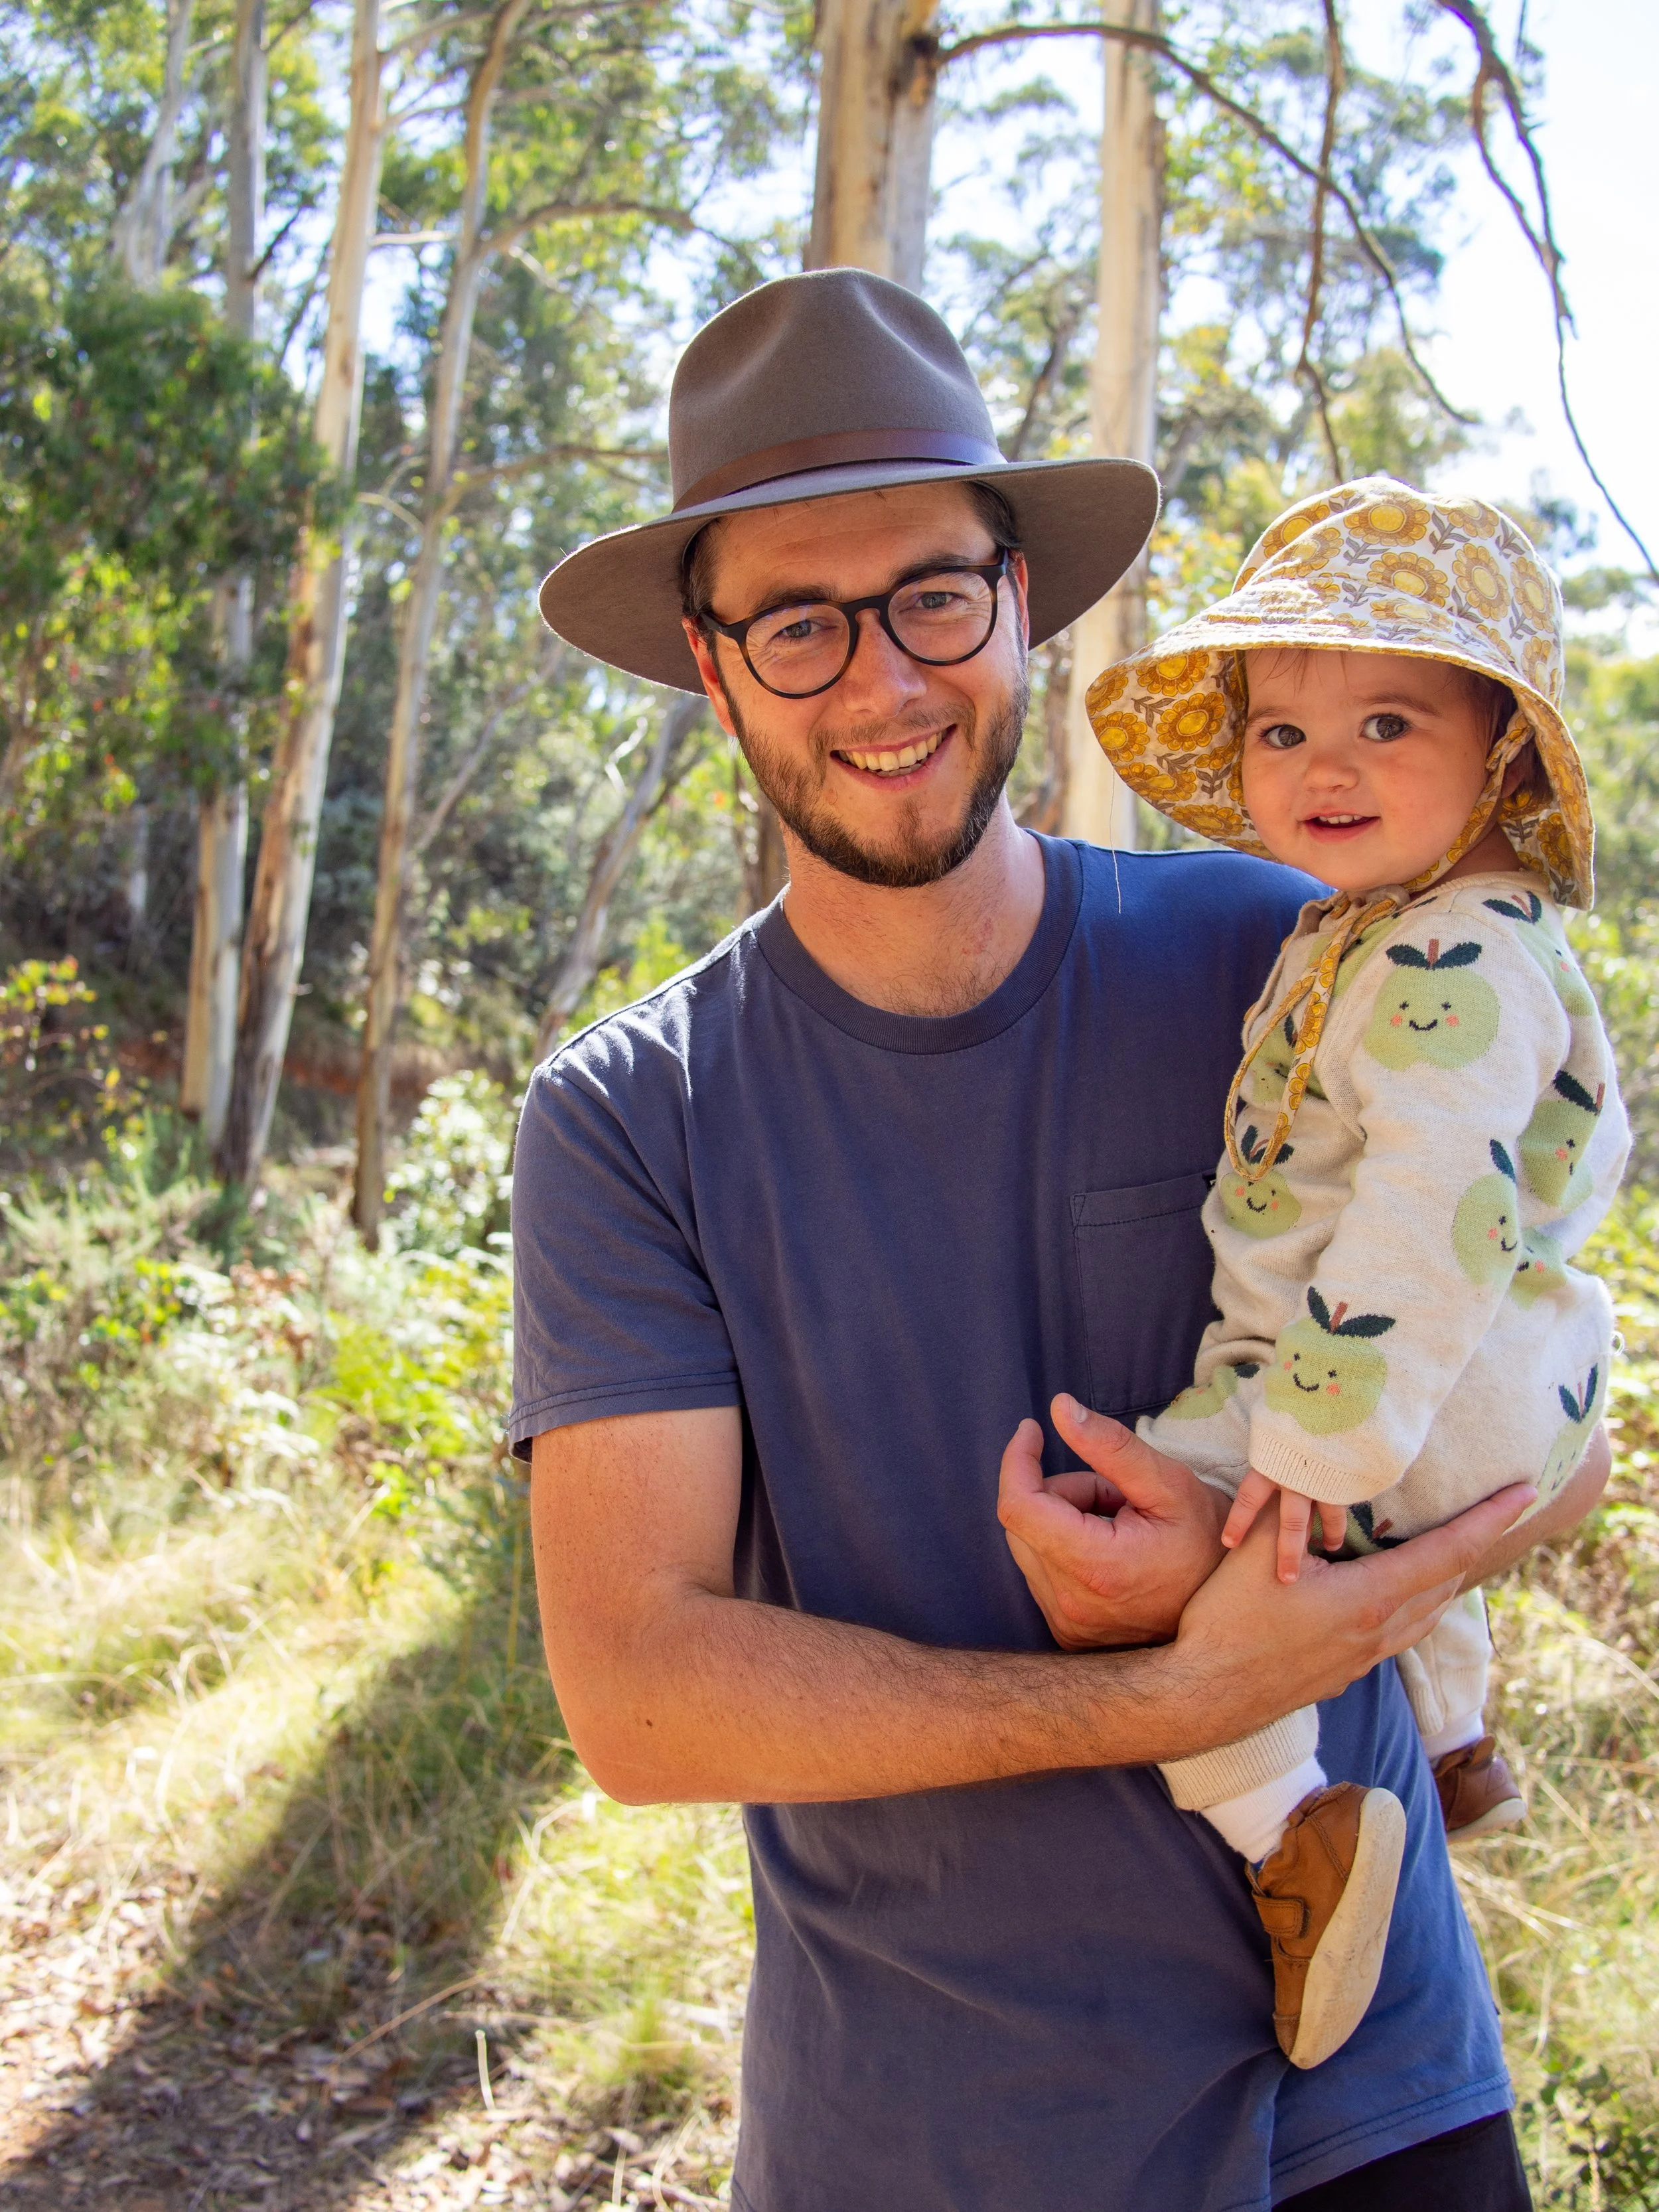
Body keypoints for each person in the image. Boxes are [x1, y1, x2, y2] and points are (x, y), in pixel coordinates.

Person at [514, 270, 1603, 2212]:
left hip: (1376, 2097)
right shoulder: (632, 1116)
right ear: (706, 656)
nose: (883, 680)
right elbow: (638, 1690)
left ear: (1021, 596)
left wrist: (1278, 1558)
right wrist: (1168, 1696)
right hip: (936, 2139)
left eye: (934, 593)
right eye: (795, 621)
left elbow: (1562, 1426)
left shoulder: (1276, 953)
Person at [1088, 477, 1628, 2077]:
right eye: (1279, 734)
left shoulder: (1435, 959)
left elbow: (1426, 1206)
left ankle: (1295, 1836)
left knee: (1135, 1571)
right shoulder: (1397, 924)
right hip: (1486, 1372)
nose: (1322, 767)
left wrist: (1301, 1456)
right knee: (1381, 1570)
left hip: (1405, 1378)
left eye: (1386, 721)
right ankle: (1450, 1747)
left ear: (1499, 755)